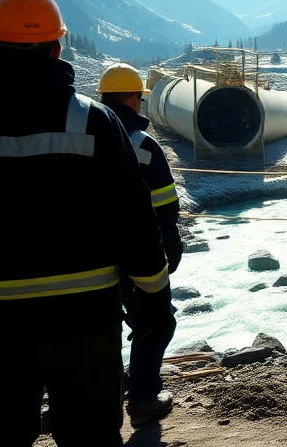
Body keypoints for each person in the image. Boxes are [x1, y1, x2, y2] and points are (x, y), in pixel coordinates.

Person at [0, 0, 173, 447]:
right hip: (86, 326)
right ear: (57, 47)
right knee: (92, 439)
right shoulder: (94, 123)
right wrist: (154, 300)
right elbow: (136, 223)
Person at [98, 63, 184, 427]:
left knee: (99, 330)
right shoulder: (143, 145)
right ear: (134, 99)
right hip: (136, 253)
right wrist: (171, 245)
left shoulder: (83, 136)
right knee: (156, 321)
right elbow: (165, 204)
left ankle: (106, 397)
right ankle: (144, 397)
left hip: (85, 256)